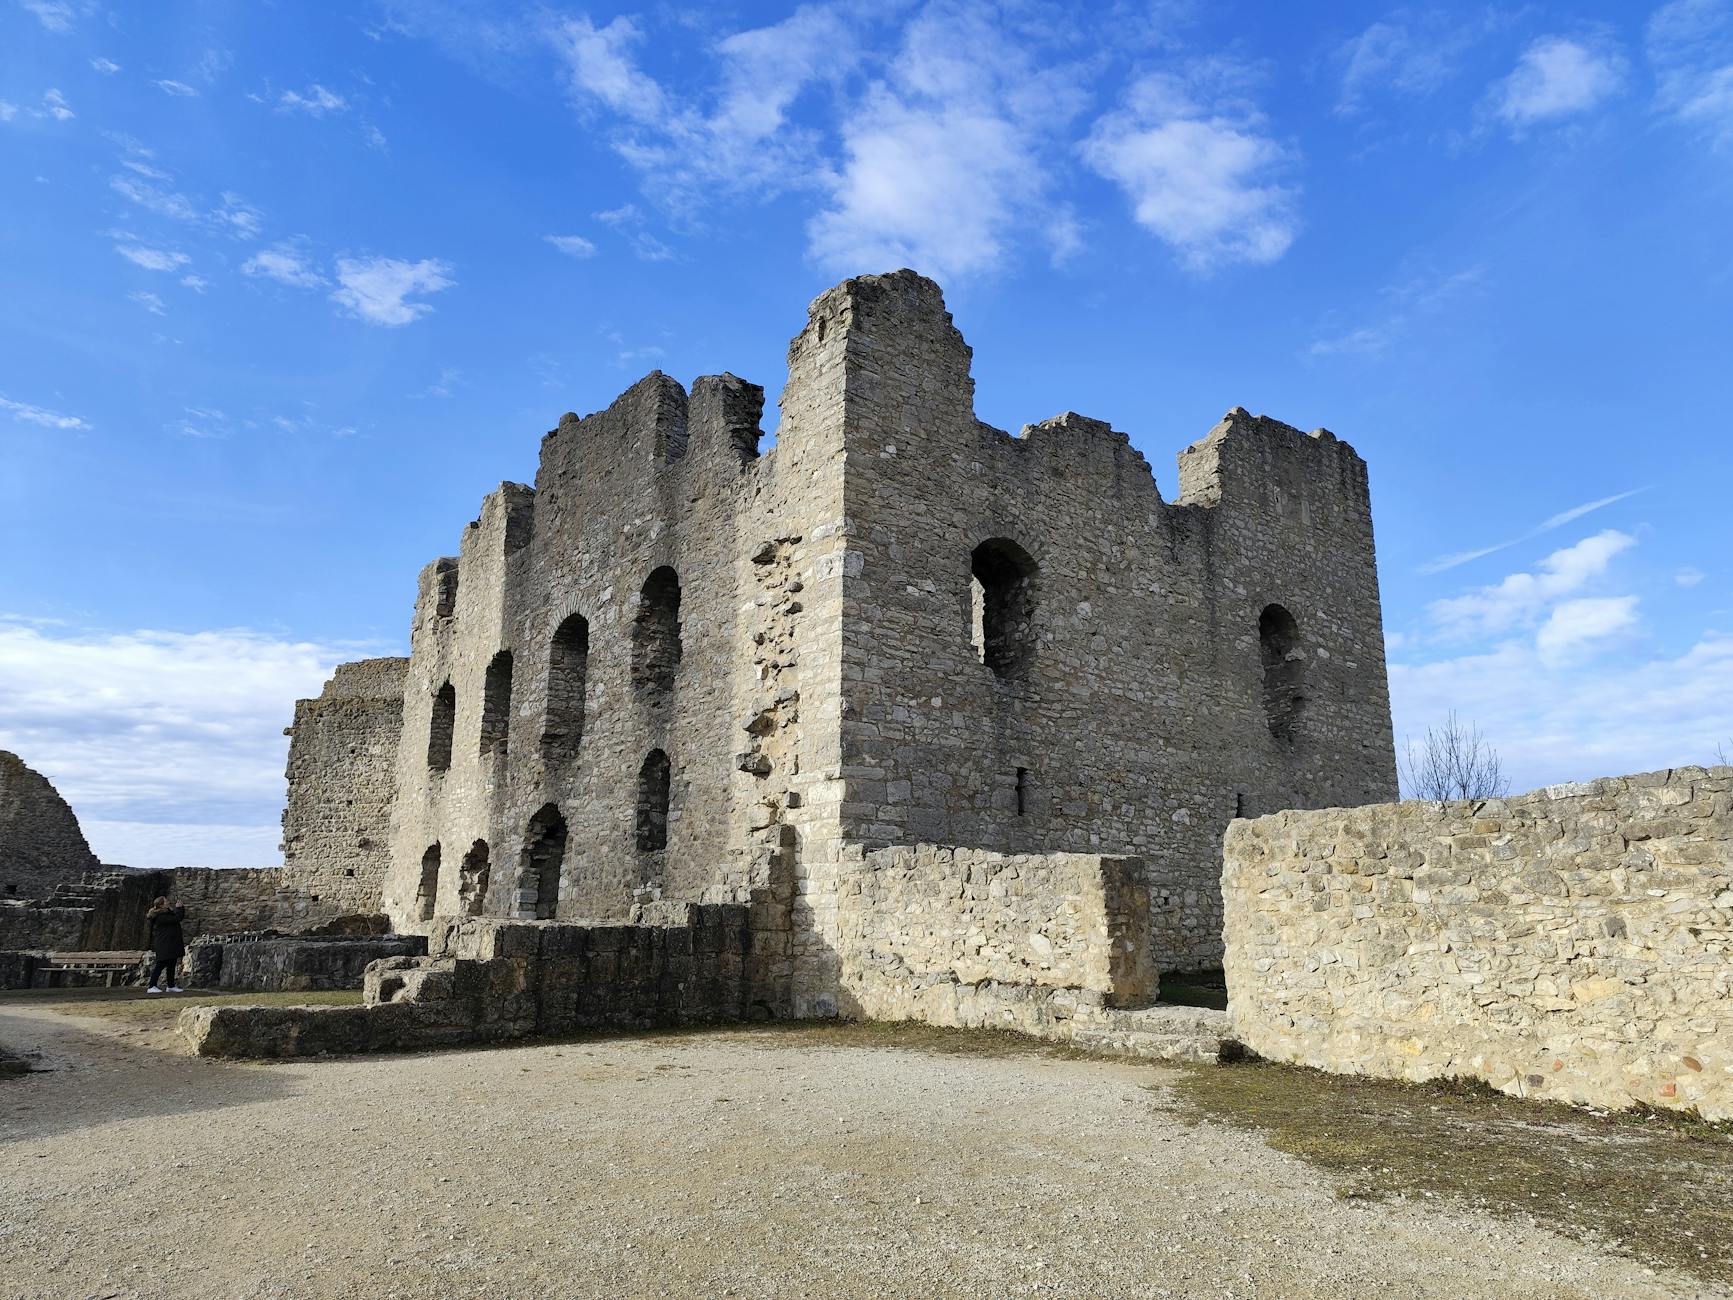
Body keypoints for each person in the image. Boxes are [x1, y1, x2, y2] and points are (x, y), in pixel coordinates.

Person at [143, 896, 187, 994]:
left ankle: (171, 985)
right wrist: (179, 908)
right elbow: (176, 918)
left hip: (170, 943)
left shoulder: (167, 913)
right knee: (160, 964)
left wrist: (179, 909)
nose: (168, 902)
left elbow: (176, 917)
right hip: (164, 944)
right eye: (166, 901)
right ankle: (151, 986)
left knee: (171, 964)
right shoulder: (160, 916)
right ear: (162, 905)